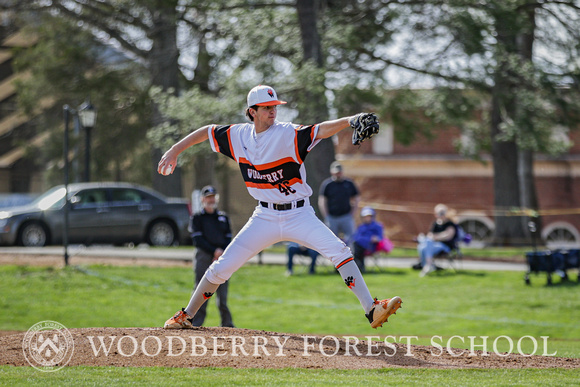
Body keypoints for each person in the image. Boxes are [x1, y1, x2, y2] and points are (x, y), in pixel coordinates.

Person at [158, 84, 402, 330]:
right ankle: (186, 315)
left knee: (340, 251)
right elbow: (207, 131)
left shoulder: (287, 133)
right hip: (264, 216)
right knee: (222, 267)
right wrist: (175, 149)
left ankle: (371, 309)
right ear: (252, 111)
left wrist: (351, 120)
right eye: (266, 108)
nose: (273, 111)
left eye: (274, 106)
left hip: (299, 214)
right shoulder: (238, 136)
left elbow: (320, 130)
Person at [189, 185, 234, 327]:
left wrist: (220, 251)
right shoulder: (197, 217)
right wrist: (214, 251)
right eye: (208, 197)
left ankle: (227, 325)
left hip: (222, 256)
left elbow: (229, 237)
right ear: (203, 199)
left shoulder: (223, 217)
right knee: (201, 290)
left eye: (213, 197)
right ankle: (195, 322)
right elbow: (198, 239)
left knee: (223, 295)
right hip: (204, 255)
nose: (211, 200)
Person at [318, 161, 360, 243]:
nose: (338, 174)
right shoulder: (327, 184)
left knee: (351, 238)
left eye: (339, 172)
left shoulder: (349, 183)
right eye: (336, 173)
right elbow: (322, 201)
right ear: (332, 172)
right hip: (332, 217)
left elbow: (356, 198)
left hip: (346, 216)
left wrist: (353, 213)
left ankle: (350, 255)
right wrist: (326, 215)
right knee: (331, 239)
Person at [417, 203, 458, 277]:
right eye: (439, 213)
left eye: (443, 213)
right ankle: (427, 266)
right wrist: (434, 237)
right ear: (436, 214)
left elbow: (448, 236)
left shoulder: (450, 224)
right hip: (434, 245)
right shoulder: (435, 223)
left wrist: (436, 237)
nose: (441, 215)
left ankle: (428, 265)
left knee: (427, 243)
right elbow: (430, 235)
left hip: (446, 246)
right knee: (422, 247)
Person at [351, 207, 392, 273]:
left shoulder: (377, 226)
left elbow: (380, 237)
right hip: (360, 245)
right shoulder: (361, 226)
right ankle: (359, 268)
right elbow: (356, 237)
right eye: (365, 217)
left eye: (369, 216)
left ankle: (359, 268)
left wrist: (375, 239)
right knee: (355, 248)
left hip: (371, 246)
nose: (367, 218)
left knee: (356, 250)